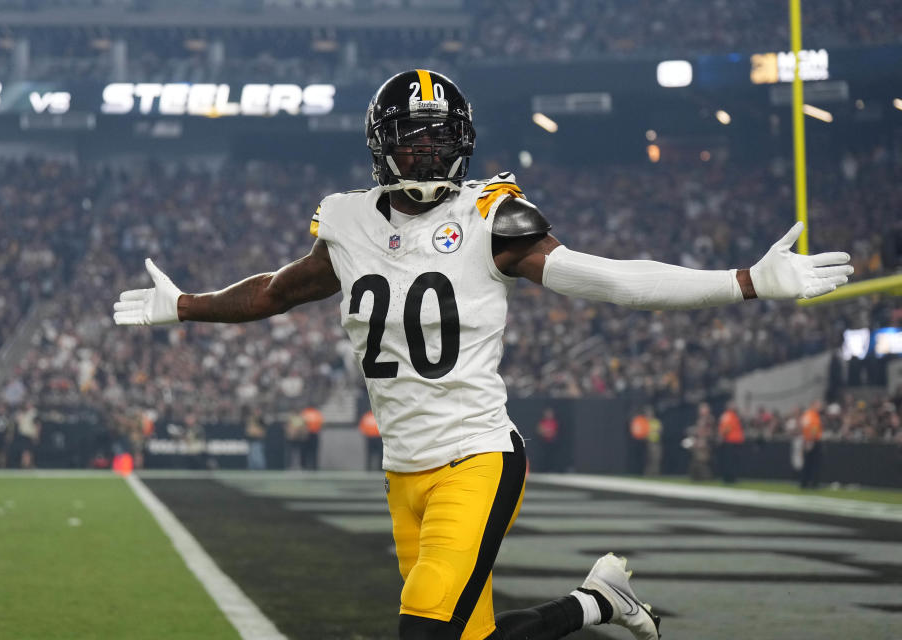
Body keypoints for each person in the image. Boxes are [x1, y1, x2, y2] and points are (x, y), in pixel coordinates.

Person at [113, 69, 853, 640]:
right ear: (381, 145)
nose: (429, 150)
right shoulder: (345, 222)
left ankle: (596, 602)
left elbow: (613, 281)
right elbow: (277, 290)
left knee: (423, 625)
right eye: (414, 137)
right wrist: (185, 304)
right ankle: (597, 603)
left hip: (477, 458)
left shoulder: (491, 216)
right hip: (403, 471)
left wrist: (746, 282)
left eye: (441, 136)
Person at [717, 401, 745, 483]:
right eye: (733, 405)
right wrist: (722, 437)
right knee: (730, 462)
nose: (735, 406)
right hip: (730, 441)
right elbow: (726, 428)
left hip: (734, 441)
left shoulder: (733, 415)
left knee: (733, 462)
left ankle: (732, 477)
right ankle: (729, 478)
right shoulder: (728, 415)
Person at [800, 400, 823, 488]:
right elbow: (814, 428)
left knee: (807, 463)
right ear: (813, 405)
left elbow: (803, 427)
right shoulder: (813, 415)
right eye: (818, 405)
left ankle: (804, 483)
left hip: (807, 440)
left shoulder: (806, 415)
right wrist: (811, 441)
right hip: (813, 441)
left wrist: (806, 440)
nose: (819, 407)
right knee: (815, 464)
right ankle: (814, 484)